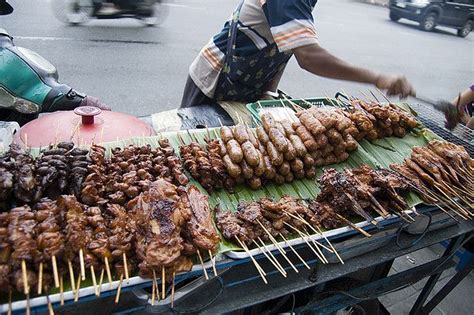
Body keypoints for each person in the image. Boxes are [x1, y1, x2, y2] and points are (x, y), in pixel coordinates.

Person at [181, 0, 416, 108]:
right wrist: (377, 78)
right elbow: (308, 56)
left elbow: (285, 47)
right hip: (213, 80)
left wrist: (269, 92)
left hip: (245, 86)